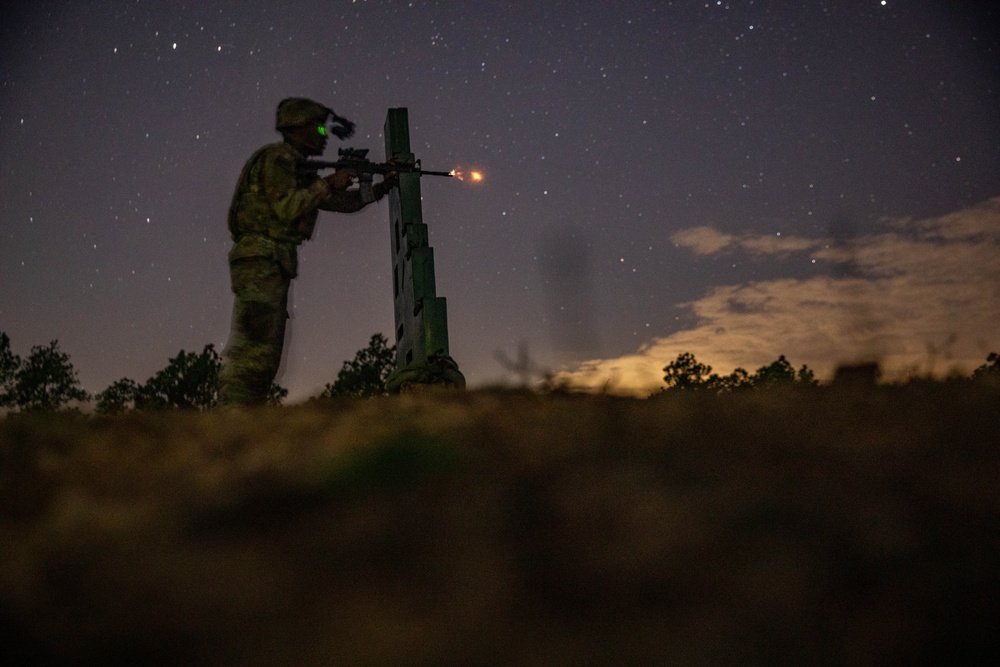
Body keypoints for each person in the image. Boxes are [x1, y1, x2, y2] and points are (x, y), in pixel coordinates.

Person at [218, 97, 397, 406]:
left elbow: (341, 202)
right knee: (254, 350)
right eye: (317, 128)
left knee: (266, 350)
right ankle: (232, 417)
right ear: (298, 129)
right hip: (261, 260)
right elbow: (287, 207)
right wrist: (329, 183)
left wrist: (380, 187)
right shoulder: (278, 159)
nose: (324, 135)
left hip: (270, 262)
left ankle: (244, 416)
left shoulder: (298, 168)